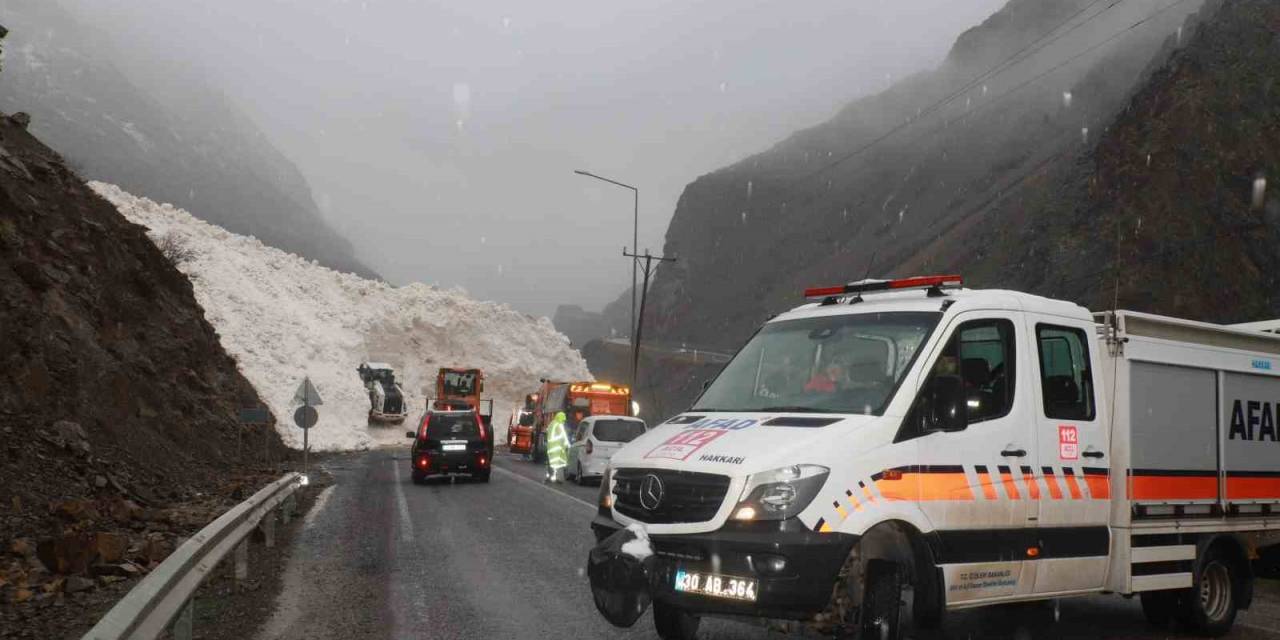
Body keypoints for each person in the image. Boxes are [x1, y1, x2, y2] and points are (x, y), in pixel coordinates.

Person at [545, 411, 570, 483]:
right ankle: (554, 478)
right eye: (563, 420)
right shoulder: (559, 425)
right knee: (557, 463)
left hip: (551, 447)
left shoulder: (552, 424)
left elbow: (548, 432)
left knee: (551, 462)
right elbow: (563, 436)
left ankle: (549, 476)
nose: (563, 421)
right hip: (557, 447)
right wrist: (567, 444)